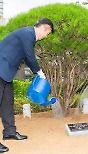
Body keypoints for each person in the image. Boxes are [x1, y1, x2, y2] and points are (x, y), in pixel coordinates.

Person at [0, 18, 54, 153]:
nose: (46, 36)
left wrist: (36, 72)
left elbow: (25, 57)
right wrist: (39, 72)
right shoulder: (28, 33)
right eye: (48, 33)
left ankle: (9, 132)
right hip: (1, 68)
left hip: (6, 72)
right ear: (44, 28)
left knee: (7, 102)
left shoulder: (29, 36)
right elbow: (30, 56)